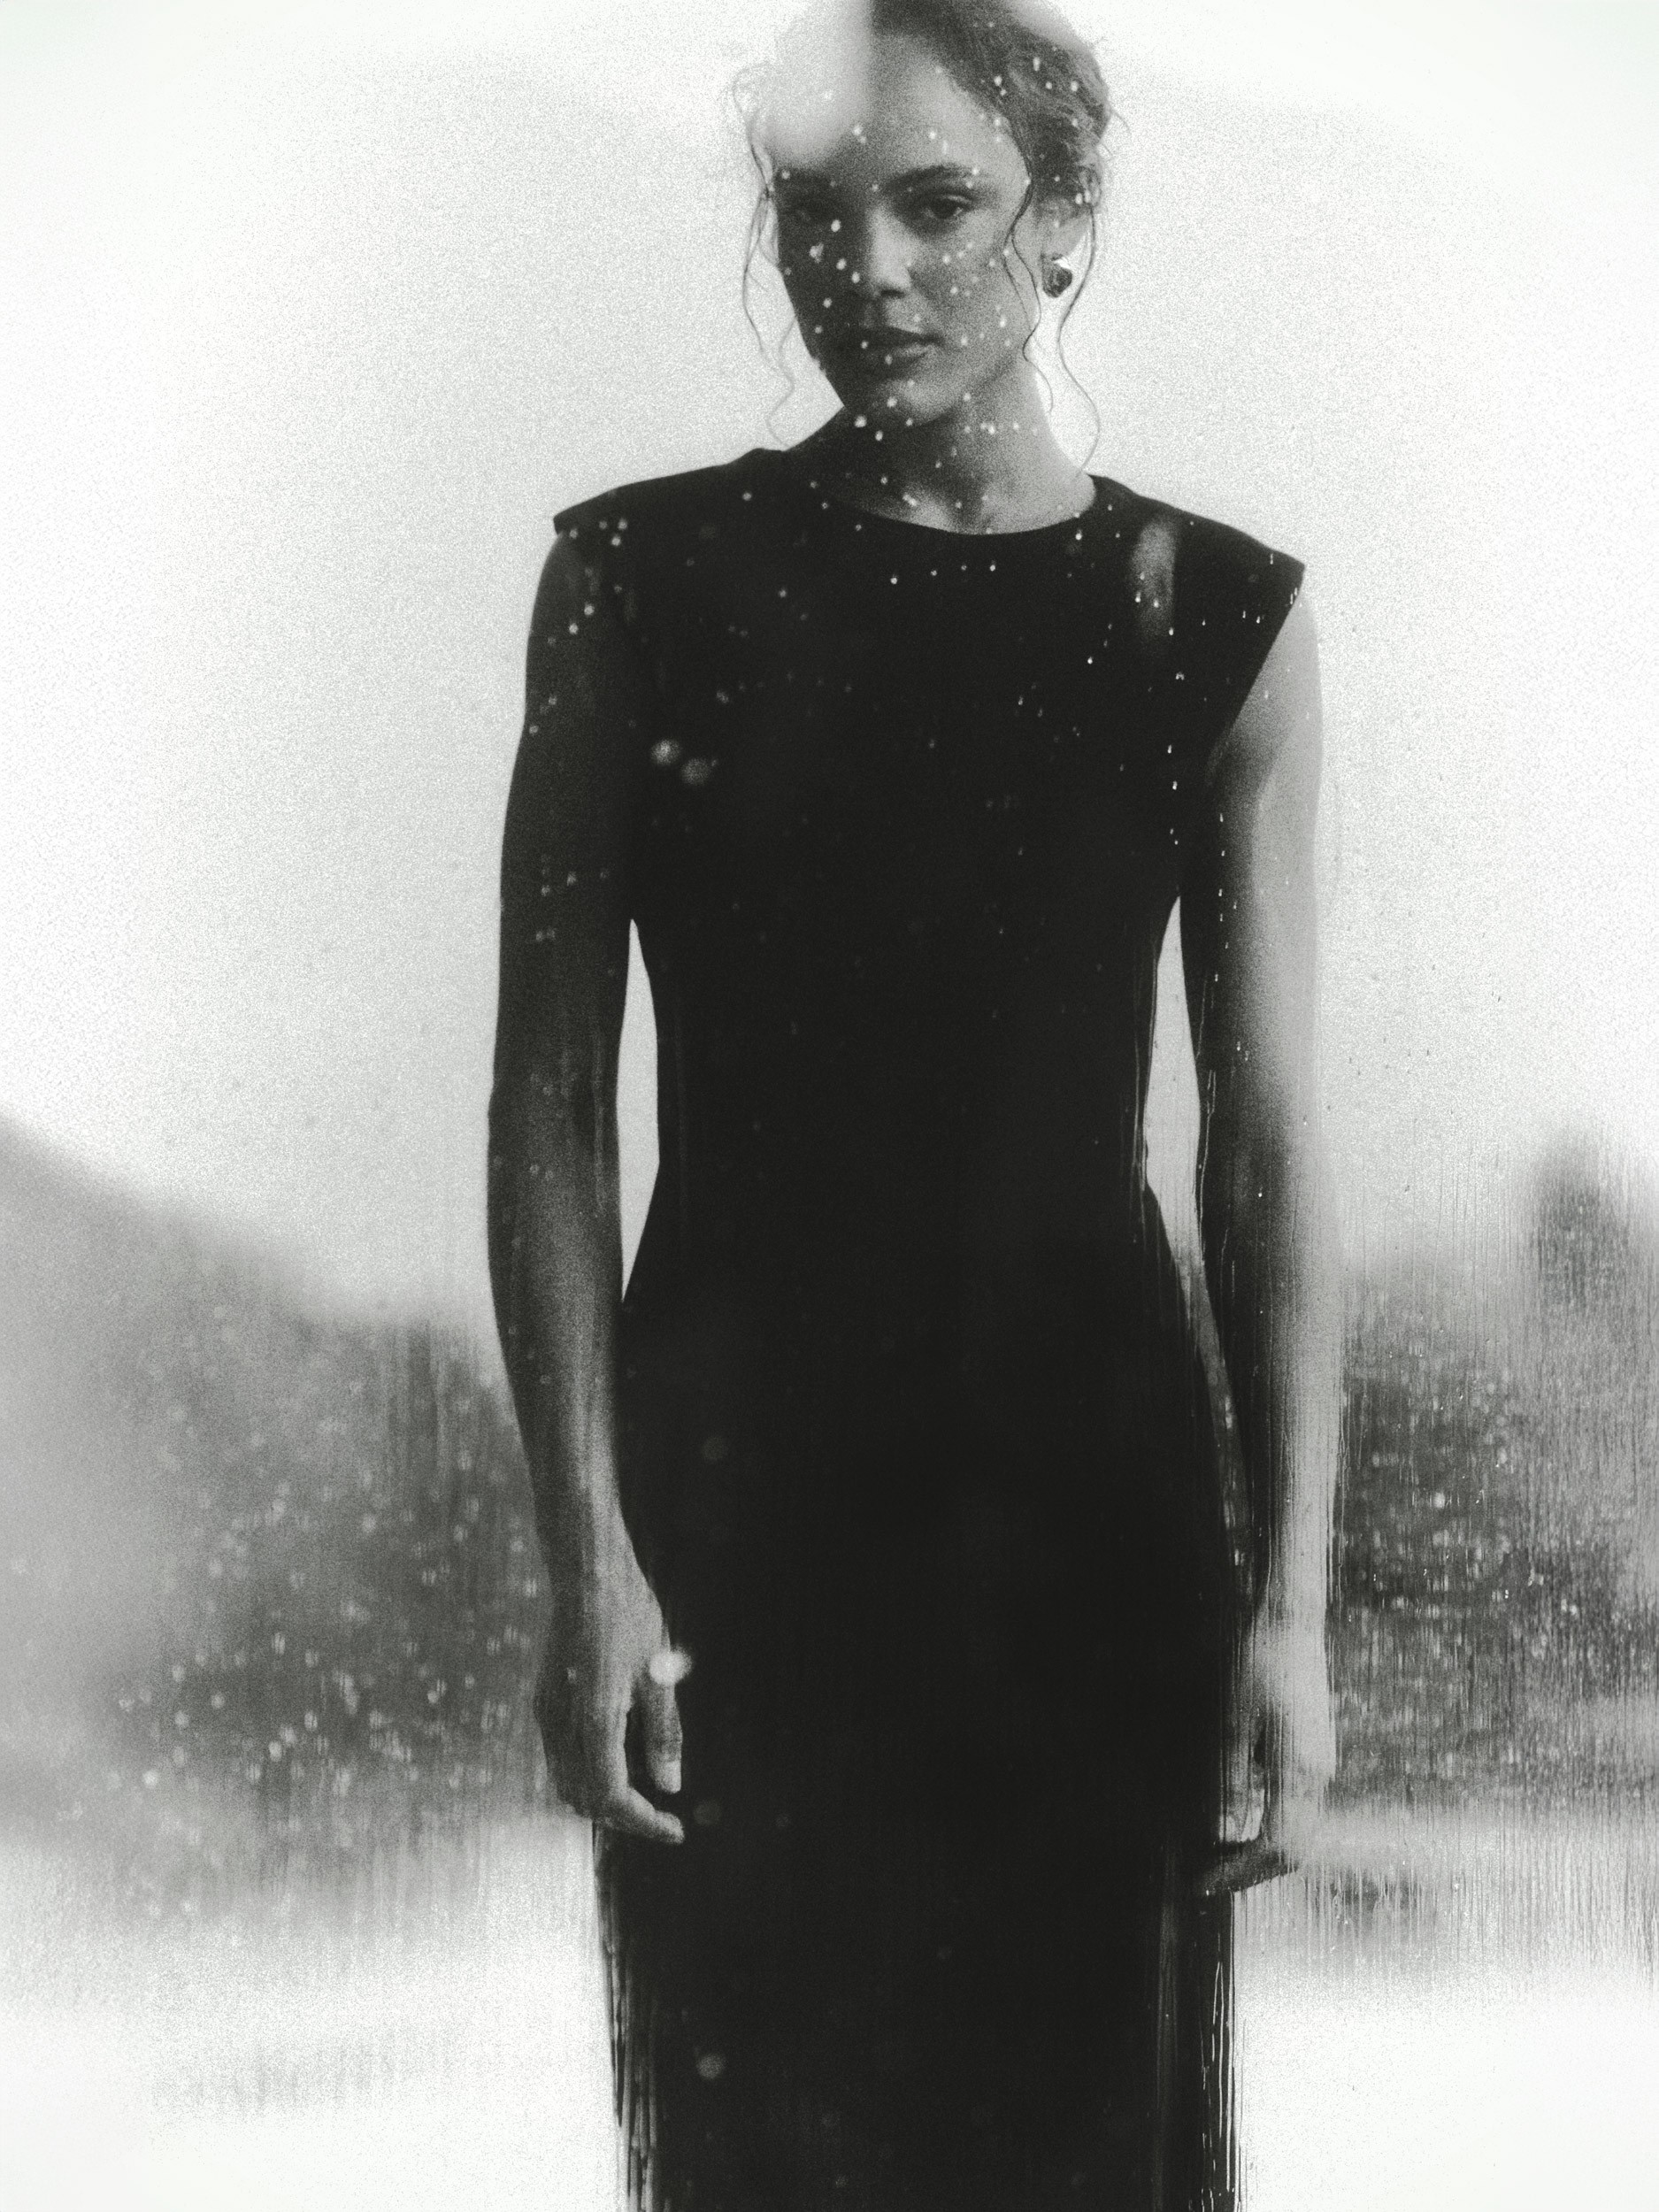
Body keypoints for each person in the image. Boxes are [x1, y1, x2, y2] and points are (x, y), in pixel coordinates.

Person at [488, 1, 1339, 2205]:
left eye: (937, 205)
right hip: (736, 1514)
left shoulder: (1207, 618)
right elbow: (551, 1105)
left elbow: (1262, 1149)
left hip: (1087, 1524)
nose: (863, 267)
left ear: (1060, 222)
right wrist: (586, 1557)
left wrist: (1290, 1604)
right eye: (813, 211)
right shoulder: (640, 586)